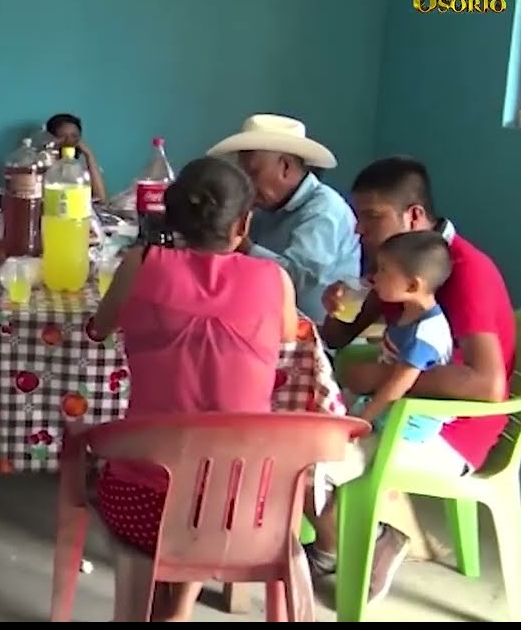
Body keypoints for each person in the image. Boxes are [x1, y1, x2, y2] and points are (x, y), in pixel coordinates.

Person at [87, 156, 299, 621]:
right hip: (244, 510)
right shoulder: (273, 280)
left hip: (142, 508)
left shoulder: (141, 264)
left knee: (139, 471)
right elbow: (288, 336)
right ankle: (178, 608)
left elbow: (99, 329)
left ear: (174, 216)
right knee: (211, 481)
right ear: (244, 222)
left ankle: (167, 605)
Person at [309, 156, 516, 603]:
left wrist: (378, 379)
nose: (359, 230)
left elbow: (488, 386)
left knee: (319, 455)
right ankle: (331, 544)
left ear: (414, 216)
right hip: (404, 407)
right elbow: (341, 335)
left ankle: (364, 540)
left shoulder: (466, 270)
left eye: (372, 216)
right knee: (302, 433)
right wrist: (334, 308)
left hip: (456, 429)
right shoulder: (396, 264)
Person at [206, 113, 362, 324]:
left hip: (313, 338)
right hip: (265, 325)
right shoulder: (264, 204)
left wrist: (242, 244)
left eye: (253, 173)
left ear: (285, 167)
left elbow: (299, 280)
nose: (246, 186)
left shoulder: (324, 211)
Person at [345, 230, 453, 440]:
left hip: (409, 419)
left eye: (384, 271)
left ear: (412, 285)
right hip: (389, 404)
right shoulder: (410, 313)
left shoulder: (424, 335)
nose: (376, 277)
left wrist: (363, 420)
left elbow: (397, 385)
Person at [44, 112, 109, 204]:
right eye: (62, 136)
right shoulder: (42, 163)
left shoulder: (83, 165)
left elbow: (102, 200)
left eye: (74, 136)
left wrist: (89, 155)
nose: (68, 141)